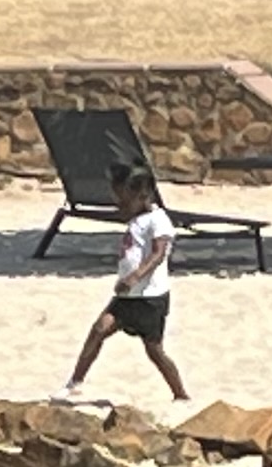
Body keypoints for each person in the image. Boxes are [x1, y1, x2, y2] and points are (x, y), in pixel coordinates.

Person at [69, 166, 186, 401]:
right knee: (99, 329)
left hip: (150, 298)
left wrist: (134, 276)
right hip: (126, 297)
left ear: (144, 197)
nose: (119, 206)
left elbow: (158, 254)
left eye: (124, 201)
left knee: (155, 351)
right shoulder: (137, 218)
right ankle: (74, 383)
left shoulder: (158, 219)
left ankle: (180, 393)